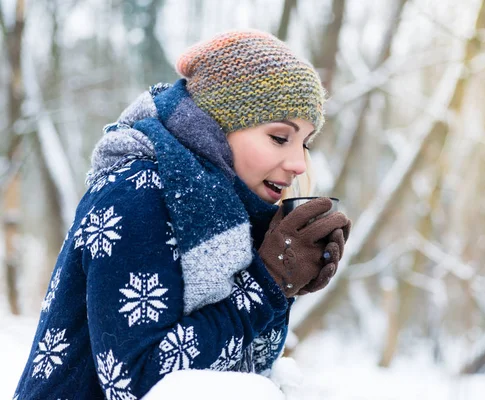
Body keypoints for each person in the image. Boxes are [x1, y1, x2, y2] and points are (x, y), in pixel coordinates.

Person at [13, 30, 351, 399]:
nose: (299, 163)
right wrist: (266, 284)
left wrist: (285, 286)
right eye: (280, 137)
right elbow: (141, 383)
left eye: (305, 143)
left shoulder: (230, 214)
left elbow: (235, 369)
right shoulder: (136, 194)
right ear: (220, 124)